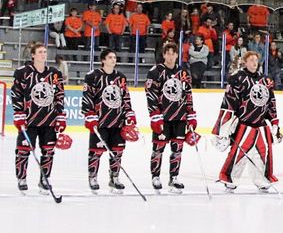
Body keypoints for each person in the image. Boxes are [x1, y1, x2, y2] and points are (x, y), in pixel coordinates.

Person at [212, 51, 280, 192]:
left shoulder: (266, 81)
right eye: (251, 60)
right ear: (245, 62)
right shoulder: (237, 78)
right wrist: (223, 128)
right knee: (238, 153)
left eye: (256, 60)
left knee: (263, 153)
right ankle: (230, 178)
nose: (254, 63)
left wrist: (274, 123)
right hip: (244, 124)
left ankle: (262, 179)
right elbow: (229, 103)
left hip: (261, 126)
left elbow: (271, 103)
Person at [12, 45, 66, 192]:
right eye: (40, 52)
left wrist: (60, 115)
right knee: (23, 150)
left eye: (45, 52)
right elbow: (16, 94)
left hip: (49, 120)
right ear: (33, 56)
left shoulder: (55, 73)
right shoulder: (22, 72)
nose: (43, 55)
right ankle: (22, 178)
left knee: (48, 150)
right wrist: (18, 113)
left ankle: (45, 179)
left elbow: (60, 95)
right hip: (29, 120)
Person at [145, 43, 197, 192]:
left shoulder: (183, 73)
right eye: (167, 53)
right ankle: (155, 176)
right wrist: (155, 115)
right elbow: (151, 95)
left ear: (176, 55)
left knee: (177, 149)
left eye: (172, 53)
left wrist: (191, 114)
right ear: (163, 55)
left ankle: (174, 177)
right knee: (158, 148)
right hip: (163, 118)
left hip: (180, 117)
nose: (170, 56)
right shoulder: (155, 72)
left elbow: (188, 94)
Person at [83, 49, 137, 192]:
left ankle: (114, 177)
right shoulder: (93, 76)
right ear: (103, 60)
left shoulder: (121, 77)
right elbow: (87, 97)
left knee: (117, 151)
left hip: (117, 121)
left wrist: (129, 115)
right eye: (110, 57)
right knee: (96, 151)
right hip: (100, 122)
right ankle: (93, 177)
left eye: (115, 57)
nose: (113, 60)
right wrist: (89, 115)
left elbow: (125, 98)